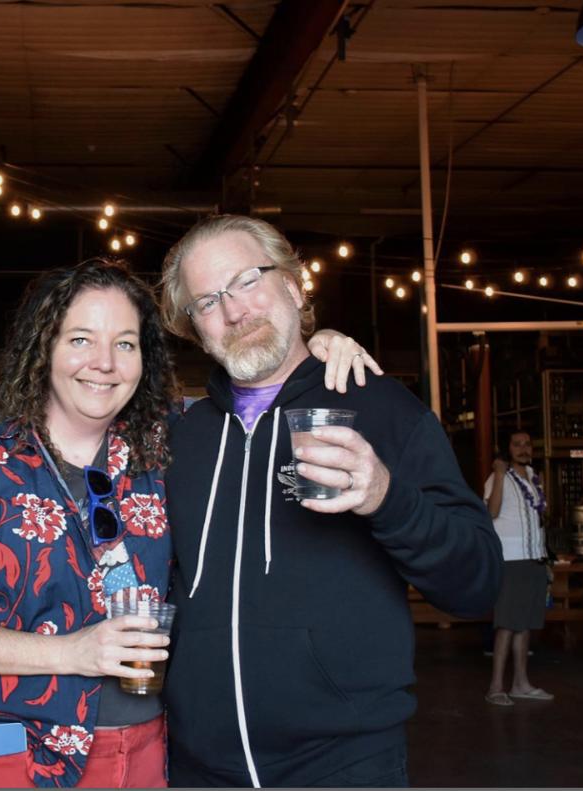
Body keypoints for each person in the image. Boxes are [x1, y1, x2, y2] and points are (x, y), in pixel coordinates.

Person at [0, 258, 368, 788]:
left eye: (125, 343)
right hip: (14, 746)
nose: (104, 363)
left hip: (147, 747)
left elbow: (260, 395)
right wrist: (72, 652)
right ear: (42, 349)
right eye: (80, 339)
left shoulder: (165, 445)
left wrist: (316, 345)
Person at [158, 214, 503, 788]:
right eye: (208, 300)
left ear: (293, 286)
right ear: (196, 328)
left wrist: (385, 496)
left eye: (248, 280)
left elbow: (478, 584)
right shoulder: (182, 438)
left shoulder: (384, 409)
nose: (235, 310)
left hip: (344, 765)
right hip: (198, 765)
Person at [483, 429, 553, 706]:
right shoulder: (498, 477)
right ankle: (495, 687)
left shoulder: (535, 478)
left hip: (534, 558)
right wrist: (499, 474)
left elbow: (540, 520)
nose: (523, 448)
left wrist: (546, 559)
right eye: (517, 444)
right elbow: (492, 512)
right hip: (510, 559)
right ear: (507, 449)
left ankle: (520, 684)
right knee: (507, 625)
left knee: (525, 625)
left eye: (527, 444)